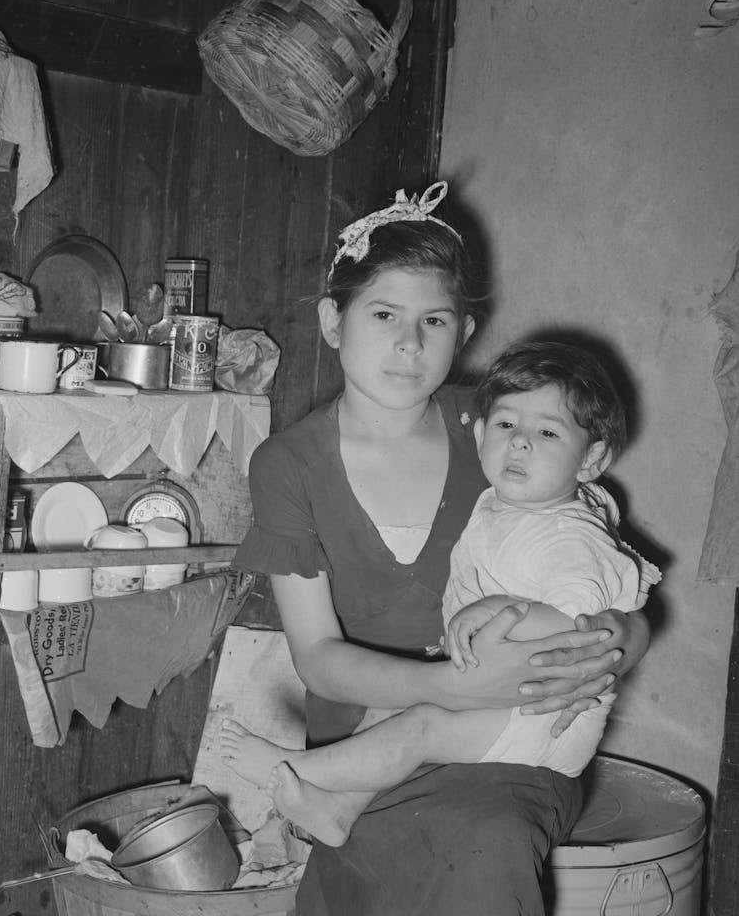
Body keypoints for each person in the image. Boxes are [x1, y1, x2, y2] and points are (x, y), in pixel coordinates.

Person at [226, 182, 651, 916]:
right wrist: (443, 688)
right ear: (333, 320)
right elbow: (318, 657)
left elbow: (598, 567)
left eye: (435, 320)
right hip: (364, 744)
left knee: (481, 847)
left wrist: (624, 637)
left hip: (510, 744)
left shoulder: (498, 427)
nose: (409, 343)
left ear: (465, 332)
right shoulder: (289, 465)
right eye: (384, 315)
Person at [221, 339, 660, 833]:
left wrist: (502, 608)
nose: (519, 442)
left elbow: (578, 625)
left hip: (543, 717)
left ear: (591, 460)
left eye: (548, 433)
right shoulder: (510, 503)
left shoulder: (567, 534)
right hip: (495, 687)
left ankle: (293, 770)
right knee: (389, 705)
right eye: (507, 425)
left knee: (421, 726)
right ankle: (338, 810)